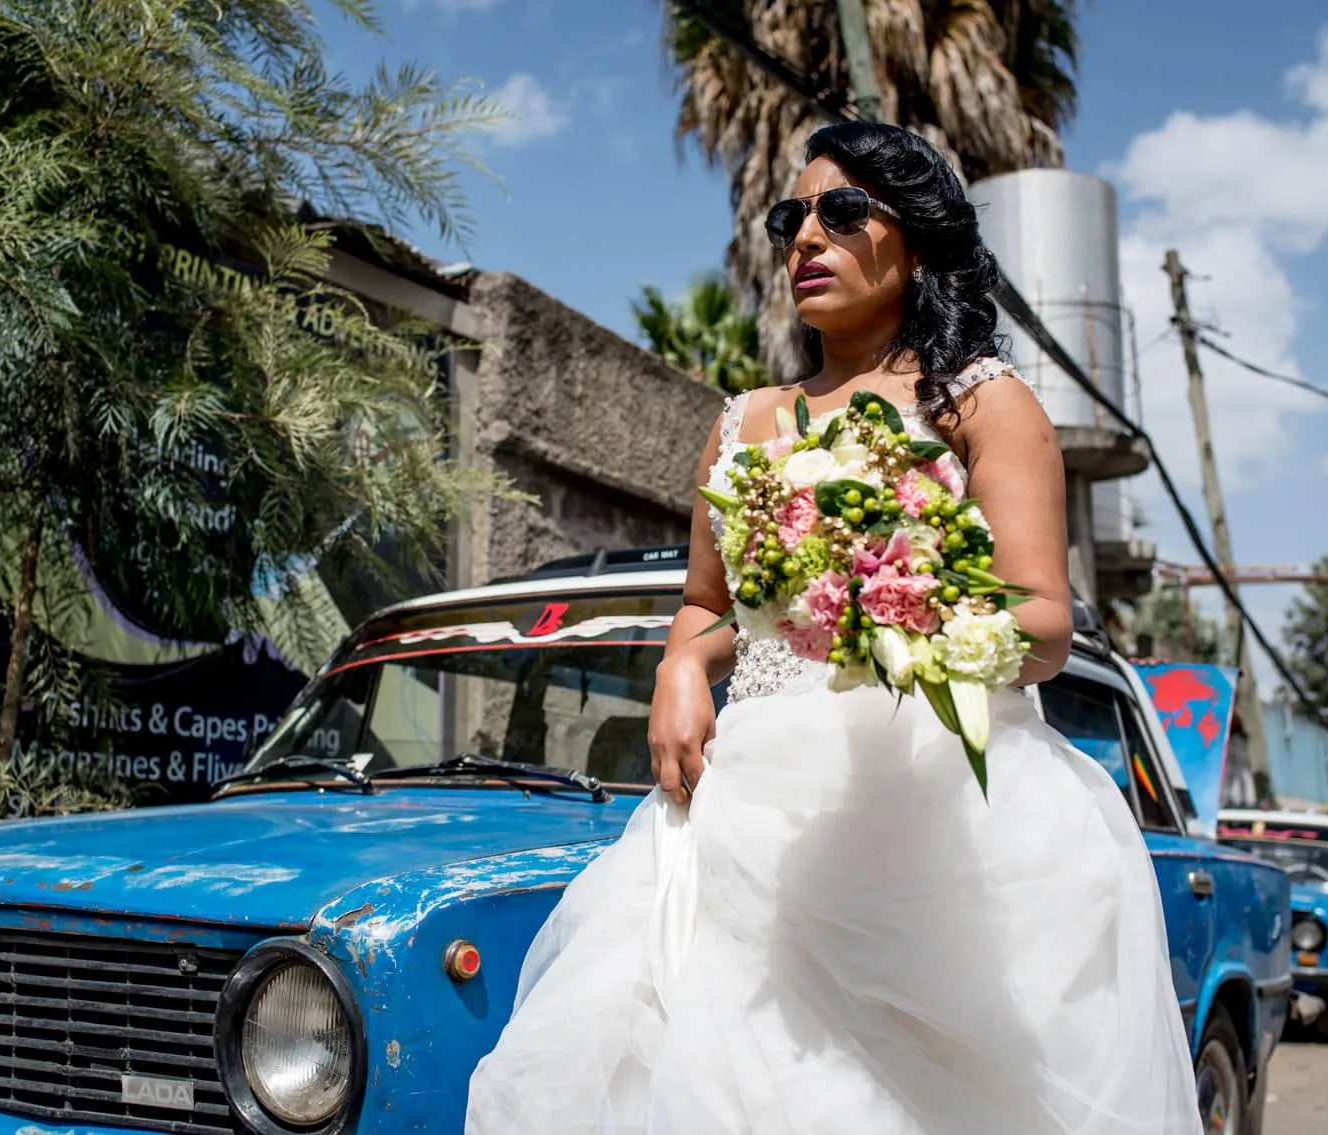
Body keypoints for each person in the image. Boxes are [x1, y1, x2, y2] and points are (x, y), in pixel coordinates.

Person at [466, 122, 1200, 1133]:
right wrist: (682, 664)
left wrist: (907, 613)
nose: (805, 237)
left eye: (841, 211)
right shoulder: (743, 420)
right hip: (748, 825)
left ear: (915, 238)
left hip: (947, 823)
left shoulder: (980, 405)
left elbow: (1043, 622)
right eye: (789, 217)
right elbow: (708, 603)